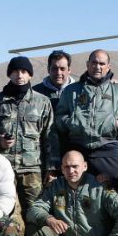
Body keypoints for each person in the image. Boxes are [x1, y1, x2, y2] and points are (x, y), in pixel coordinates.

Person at [0, 55, 52, 213]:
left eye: (24, 71)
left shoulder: (43, 102)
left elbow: (49, 139)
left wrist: (51, 169)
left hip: (32, 171)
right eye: (15, 71)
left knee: (35, 213)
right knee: (5, 214)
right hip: (2, 168)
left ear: (30, 74)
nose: (19, 75)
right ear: (9, 74)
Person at [55, 49, 118, 182]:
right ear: (88, 64)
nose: (97, 67)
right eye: (94, 62)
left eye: (102, 63)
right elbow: (59, 117)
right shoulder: (71, 91)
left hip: (108, 151)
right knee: (76, 195)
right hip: (78, 150)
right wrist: (71, 123)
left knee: (116, 191)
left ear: (108, 67)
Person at [34, 49, 73, 177]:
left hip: (74, 152)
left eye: (62, 68)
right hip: (44, 155)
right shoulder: (35, 93)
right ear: (48, 69)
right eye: (54, 68)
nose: (58, 73)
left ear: (69, 70)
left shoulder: (80, 90)